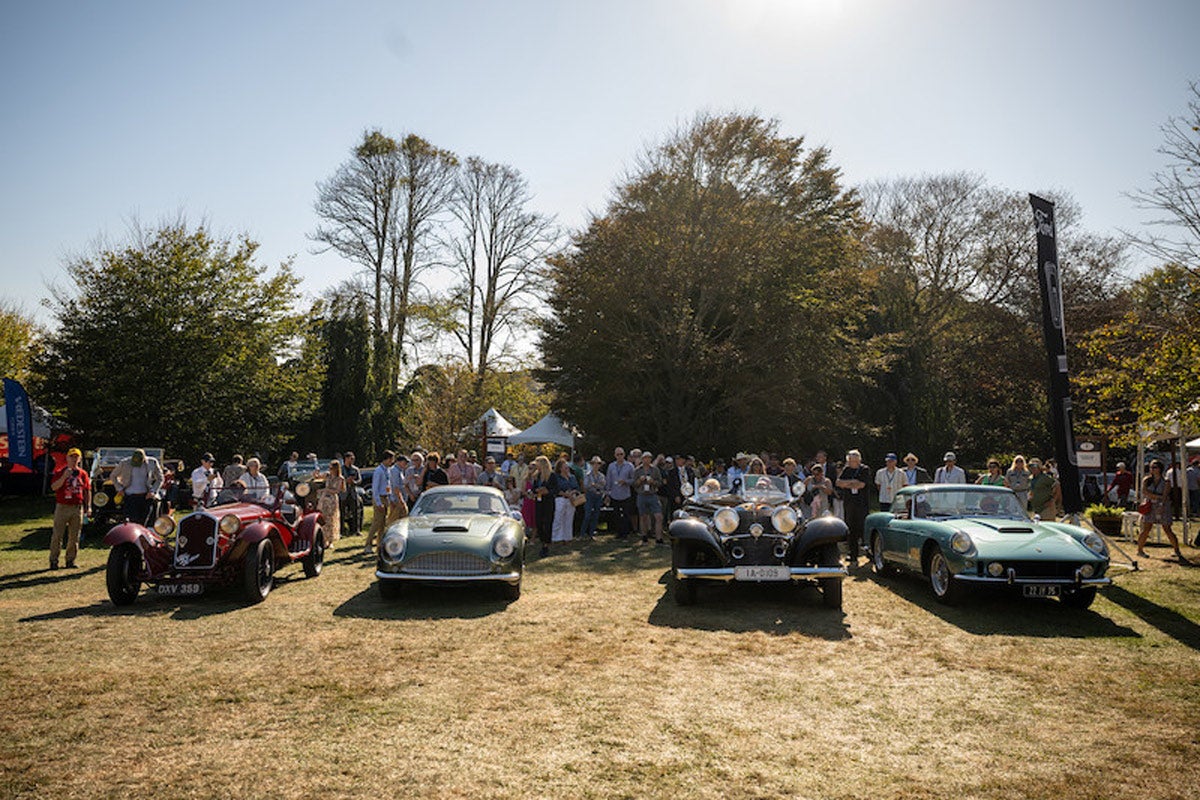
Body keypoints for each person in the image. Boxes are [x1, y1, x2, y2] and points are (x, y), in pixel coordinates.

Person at [49, 448, 91, 569]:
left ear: (80, 459)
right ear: (67, 458)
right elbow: (53, 487)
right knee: (57, 535)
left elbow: (87, 490)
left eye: (76, 457)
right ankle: (53, 560)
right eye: (71, 457)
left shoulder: (82, 474)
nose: (74, 459)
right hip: (62, 507)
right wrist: (64, 477)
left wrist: (88, 507)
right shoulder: (60, 471)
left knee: (74, 536)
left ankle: (70, 560)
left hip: (77, 507)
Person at [1137, 459, 1185, 561]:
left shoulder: (1166, 481)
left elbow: (1165, 495)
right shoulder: (1146, 480)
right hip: (1149, 505)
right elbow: (1145, 492)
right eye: (1151, 467)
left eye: (1155, 467)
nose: (1152, 469)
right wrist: (1157, 497)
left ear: (1160, 469)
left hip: (1162, 505)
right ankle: (1140, 550)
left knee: (1167, 528)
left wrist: (1160, 502)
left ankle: (1177, 550)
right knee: (1146, 528)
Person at [109, 448, 164, 526]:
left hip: (146, 496)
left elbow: (160, 478)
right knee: (131, 521)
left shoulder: (152, 462)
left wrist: (153, 491)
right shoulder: (125, 463)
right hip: (130, 496)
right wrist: (120, 489)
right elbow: (113, 476)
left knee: (145, 520)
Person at [837, 450, 871, 564]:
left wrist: (847, 483)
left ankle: (869, 552)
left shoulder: (864, 469)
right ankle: (853, 555)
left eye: (855, 460)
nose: (852, 463)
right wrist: (852, 482)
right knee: (850, 529)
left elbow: (861, 484)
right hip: (849, 504)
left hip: (861, 504)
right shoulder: (846, 470)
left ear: (859, 460)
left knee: (862, 528)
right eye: (850, 460)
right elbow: (839, 483)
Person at [365, 450, 395, 553]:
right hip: (379, 498)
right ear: (387, 459)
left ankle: (380, 545)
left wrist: (390, 499)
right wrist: (378, 503)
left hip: (385, 497)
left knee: (383, 524)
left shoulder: (387, 470)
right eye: (391, 459)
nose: (392, 462)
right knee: (377, 522)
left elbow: (388, 485)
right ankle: (368, 544)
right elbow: (375, 488)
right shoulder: (379, 470)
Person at [633, 452, 664, 544]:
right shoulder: (637, 470)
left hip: (653, 495)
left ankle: (659, 539)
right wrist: (639, 480)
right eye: (645, 458)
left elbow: (660, 483)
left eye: (649, 458)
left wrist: (653, 482)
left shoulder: (655, 470)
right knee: (643, 517)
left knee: (658, 516)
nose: (647, 460)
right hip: (641, 495)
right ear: (642, 459)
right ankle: (644, 536)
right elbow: (634, 484)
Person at [605, 446, 635, 539]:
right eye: (618, 454)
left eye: (621, 454)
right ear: (615, 455)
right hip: (614, 494)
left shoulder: (629, 466)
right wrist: (607, 494)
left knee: (626, 514)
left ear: (624, 455)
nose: (619, 456)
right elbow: (608, 480)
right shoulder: (611, 466)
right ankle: (618, 533)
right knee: (616, 515)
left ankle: (626, 533)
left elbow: (633, 480)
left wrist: (625, 481)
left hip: (625, 494)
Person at [549, 458, 580, 547]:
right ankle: (556, 538)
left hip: (571, 500)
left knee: (569, 519)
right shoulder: (556, 477)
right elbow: (556, 489)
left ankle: (567, 538)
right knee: (558, 519)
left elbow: (576, 487)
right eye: (565, 467)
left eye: (567, 467)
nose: (567, 469)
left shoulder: (572, 477)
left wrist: (572, 493)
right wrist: (566, 494)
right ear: (560, 468)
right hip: (561, 499)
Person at [531, 455, 554, 556]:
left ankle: (546, 545)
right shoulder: (537, 475)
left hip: (548, 502)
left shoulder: (552, 476)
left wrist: (547, 491)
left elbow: (555, 489)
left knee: (547, 523)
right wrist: (535, 491)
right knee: (538, 522)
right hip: (539, 501)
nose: (537, 466)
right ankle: (543, 541)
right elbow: (533, 488)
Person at [318, 460, 344, 548]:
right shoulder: (327, 475)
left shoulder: (340, 478)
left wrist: (326, 490)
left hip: (332, 500)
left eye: (332, 468)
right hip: (324, 499)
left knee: (331, 519)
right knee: (324, 518)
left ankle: (330, 540)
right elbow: (317, 476)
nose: (330, 469)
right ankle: (324, 539)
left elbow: (337, 491)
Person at [581, 456, 606, 540]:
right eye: (594, 463)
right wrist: (595, 485)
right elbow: (586, 486)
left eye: (598, 463)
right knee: (587, 515)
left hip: (598, 496)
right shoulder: (587, 474)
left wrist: (594, 485)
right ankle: (582, 533)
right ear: (591, 464)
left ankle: (591, 534)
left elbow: (603, 486)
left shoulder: (601, 475)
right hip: (589, 495)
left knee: (596, 515)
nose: (596, 465)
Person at [341, 451, 362, 536]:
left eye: (353, 459)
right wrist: (346, 481)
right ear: (346, 459)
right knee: (342, 512)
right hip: (343, 493)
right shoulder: (341, 469)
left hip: (353, 493)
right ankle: (341, 530)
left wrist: (354, 482)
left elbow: (360, 480)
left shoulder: (355, 469)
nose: (352, 460)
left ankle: (356, 530)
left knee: (356, 511)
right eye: (351, 459)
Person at [387, 454, 410, 524]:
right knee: (394, 520)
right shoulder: (394, 471)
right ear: (399, 462)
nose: (406, 464)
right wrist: (401, 500)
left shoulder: (400, 471)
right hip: (397, 500)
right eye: (404, 462)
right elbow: (395, 487)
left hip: (400, 498)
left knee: (400, 519)